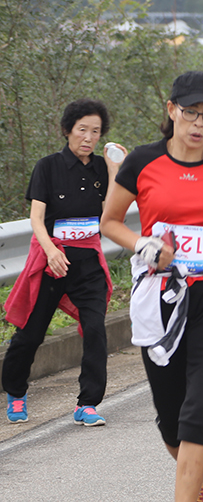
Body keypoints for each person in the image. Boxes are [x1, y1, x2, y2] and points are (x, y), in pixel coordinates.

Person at [101, 71, 203, 501]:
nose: (199, 123)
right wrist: (142, 244)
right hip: (163, 296)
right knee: (171, 420)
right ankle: (201, 469)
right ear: (172, 111)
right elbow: (110, 222)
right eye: (190, 112)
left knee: (198, 414)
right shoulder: (142, 162)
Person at [3, 99, 124, 426]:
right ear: (68, 130)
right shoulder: (48, 167)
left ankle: (87, 403)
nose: (88, 137)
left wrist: (114, 170)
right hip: (52, 261)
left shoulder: (100, 168)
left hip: (89, 263)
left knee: (96, 330)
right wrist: (52, 252)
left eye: (95, 132)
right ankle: (15, 392)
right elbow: (37, 219)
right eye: (82, 129)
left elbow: (111, 212)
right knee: (30, 333)